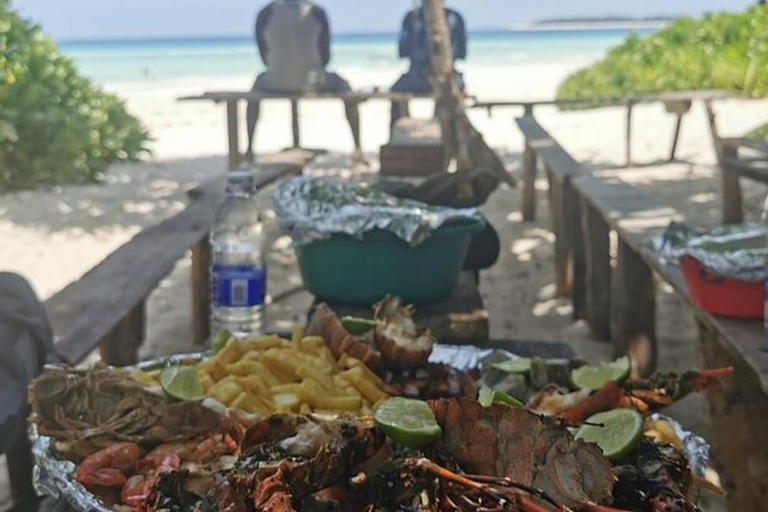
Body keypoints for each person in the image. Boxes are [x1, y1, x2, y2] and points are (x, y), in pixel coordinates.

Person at [245, 0, 364, 162]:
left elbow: (263, 55)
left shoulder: (266, 12)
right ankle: (357, 147)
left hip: (275, 81)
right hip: (313, 81)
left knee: (255, 91)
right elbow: (326, 58)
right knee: (346, 88)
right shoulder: (317, 12)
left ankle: (249, 149)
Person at [390, 2, 467, 123]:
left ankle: (399, 130)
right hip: (447, 78)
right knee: (452, 89)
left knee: (396, 91)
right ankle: (441, 126)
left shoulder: (412, 18)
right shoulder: (455, 17)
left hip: (418, 78)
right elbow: (462, 53)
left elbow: (402, 52)